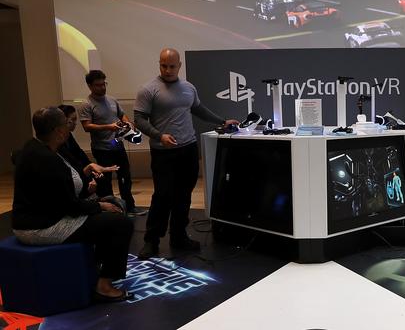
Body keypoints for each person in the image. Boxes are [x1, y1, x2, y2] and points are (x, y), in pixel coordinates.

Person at [12, 107, 134, 302]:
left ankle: (95, 268)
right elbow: (68, 206)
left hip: (50, 215)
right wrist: (99, 206)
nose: (70, 129)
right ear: (59, 131)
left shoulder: (42, 148)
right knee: (121, 223)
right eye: (67, 125)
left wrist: (87, 178)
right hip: (41, 226)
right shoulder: (46, 159)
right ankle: (104, 286)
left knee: (112, 208)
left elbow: (63, 193)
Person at [134, 48, 239, 259]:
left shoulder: (188, 88)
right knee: (162, 196)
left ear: (179, 66)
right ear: (159, 64)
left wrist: (221, 121)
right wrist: (159, 135)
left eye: (172, 66)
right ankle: (151, 241)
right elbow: (139, 119)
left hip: (188, 149)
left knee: (183, 196)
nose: (168, 69)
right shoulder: (148, 89)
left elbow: (199, 109)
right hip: (163, 152)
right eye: (164, 65)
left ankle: (179, 236)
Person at [78, 70, 146, 217]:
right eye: (98, 85)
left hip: (117, 145)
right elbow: (86, 126)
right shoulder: (86, 105)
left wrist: (128, 123)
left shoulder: (112, 100)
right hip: (102, 149)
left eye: (104, 84)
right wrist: (109, 126)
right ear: (90, 86)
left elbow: (122, 114)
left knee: (125, 178)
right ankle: (110, 210)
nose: (102, 87)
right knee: (105, 182)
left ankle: (130, 207)